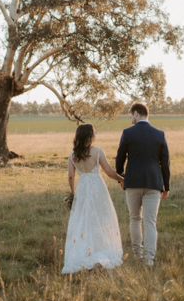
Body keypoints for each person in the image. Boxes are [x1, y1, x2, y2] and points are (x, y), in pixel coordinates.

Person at [61, 123, 124, 274]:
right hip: (97, 189)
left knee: (83, 220)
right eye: (94, 133)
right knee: (101, 218)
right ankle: (100, 248)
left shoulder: (73, 155)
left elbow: (70, 176)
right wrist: (122, 179)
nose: (96, 136)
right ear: (89, 136)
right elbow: (108, 171)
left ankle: (84, 251)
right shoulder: (98, 152)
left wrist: (72, 193)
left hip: (82, 189)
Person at [115, 102, 170, 267]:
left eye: (131, 115)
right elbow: (165, 163)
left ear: (136, 114)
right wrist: (166, 186)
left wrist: (121, 177)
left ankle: (138, 255)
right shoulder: (159, 134)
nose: (130, 118)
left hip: (132, 182)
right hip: (154, 182)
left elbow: (120, 158)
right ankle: (149, 259)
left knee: (134, 219)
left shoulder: (127, 133)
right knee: (150, 221)